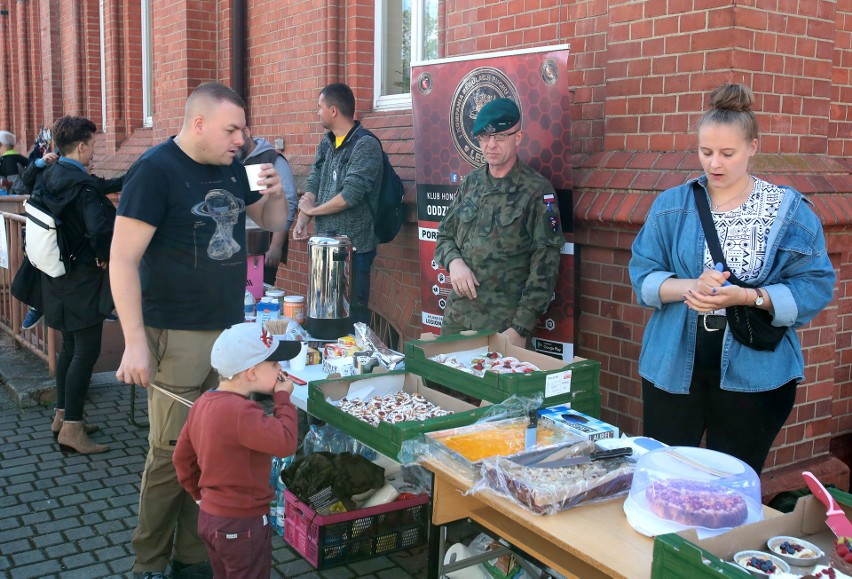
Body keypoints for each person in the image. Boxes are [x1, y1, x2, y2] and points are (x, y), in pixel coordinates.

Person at [110, 82, 289, 579]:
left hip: (227, 334)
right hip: (176, 332)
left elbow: (269, 219)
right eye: (233, 129)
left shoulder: (235, 166)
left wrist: (275, 194)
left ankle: (191, 558)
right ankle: (147, 563)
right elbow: (122, 261)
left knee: (216, 453)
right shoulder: (155, 171)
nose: (242, 138)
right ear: (199, 124)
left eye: (244, 129)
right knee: (171, 456)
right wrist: (135, 343)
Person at [628, 83, 835, 475]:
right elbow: (643, 274)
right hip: (673, 365)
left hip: (756, 373)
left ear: (753, 147)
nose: (714, 164)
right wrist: (689, 286)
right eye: (706, 152)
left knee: (733, 479)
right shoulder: (673, 204)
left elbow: (815, 285)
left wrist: (746, 297)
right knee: (665, 472)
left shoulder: (787, 211)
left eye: (727, 153)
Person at [173, 323, 300, 579]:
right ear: (251, 373)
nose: (280, 370)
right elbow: (286, 441)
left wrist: (200, 496)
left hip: (210, 518)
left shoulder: (202, 403)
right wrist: (283, 399)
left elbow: (182, 459)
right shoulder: (243, 412)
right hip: (244, 523)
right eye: (274, 364)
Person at [434, 98, 564, 347]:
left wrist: (520, 327)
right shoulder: (471, 183)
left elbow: (545, 266)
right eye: (484, 137)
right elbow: (444, 235)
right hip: (458, 317)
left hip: (503, 325)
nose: (491, 145)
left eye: (501, 137)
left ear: (518, 137)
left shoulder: (537, 191)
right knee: (443, 384)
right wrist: (455, 262)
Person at [29, 116, 123, 453]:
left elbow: (98, 186)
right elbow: (98, 227)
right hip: (82, 278)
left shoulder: (52, 174)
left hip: (57, 274)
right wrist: (103, 255)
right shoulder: (80, 184)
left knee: (69, 347)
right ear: (81, 146)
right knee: (86, 351)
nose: (94, 152)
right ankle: (72, 428)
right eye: (94, 145)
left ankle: (64, 417)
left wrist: (131, 178)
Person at [294, 82, 383, 324]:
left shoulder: (365, 144)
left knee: (350, 318)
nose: (317, 113)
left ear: (333, 110)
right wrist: (304, 218)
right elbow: (314, 180)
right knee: (323, 316)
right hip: (323, 245)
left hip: (353, 249)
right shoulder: (326, 142)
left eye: (319, 107)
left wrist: (313, 210)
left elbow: (350, 196)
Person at [237, 125, 297, 285]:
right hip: (235, 250)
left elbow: (289, 200)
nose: (234, 142)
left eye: (237, 134)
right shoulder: (230, 160)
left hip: (263, 248)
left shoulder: (272, 159)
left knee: (260, 299)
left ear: (247, 132)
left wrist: (276, 245)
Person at [0, 130, 29, 195]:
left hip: (17, 199)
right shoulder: (8, 158)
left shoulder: (9, 160)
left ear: (3, 146)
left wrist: (20, 195)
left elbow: (15, 181)